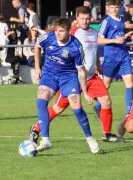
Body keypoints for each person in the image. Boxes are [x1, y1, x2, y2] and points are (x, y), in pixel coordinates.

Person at [29, 6, 120, 143]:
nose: (85, 21)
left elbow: (92, 51)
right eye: (82, 18)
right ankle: (36, 128)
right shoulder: (72, 33)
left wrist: (98, 66)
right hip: (72, 78)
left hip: (91, 76)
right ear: (76, 18)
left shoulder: (94, 33)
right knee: (58, 108)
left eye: (88, 18)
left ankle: (106, 134)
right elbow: (53, 36)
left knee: (106, 101)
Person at [33, 17, 99, 154]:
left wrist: (85, 92)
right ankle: (45, 139)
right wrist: (37, 67)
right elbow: (37, 46)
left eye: (61, 31)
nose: (58, 33)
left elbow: (81, 70)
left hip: (68, 77)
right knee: (40, 102)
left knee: (77, 109)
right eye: (56, 30)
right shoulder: (48, 37)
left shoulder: (76, 46)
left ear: (69, 31)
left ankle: (89, 137)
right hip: (49, 75)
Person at [96, 0, 133, 120]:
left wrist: (125, 43)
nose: (114, 9)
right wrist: (115, 41)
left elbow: (119, 36)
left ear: (120, 7)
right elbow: (99, 40)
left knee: (129, 82)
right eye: (112, 7)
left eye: (116, 7)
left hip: (123, 55)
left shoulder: (122, 19)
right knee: (106, 85)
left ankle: (129, 112)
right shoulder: (106, 22)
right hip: (111, 57)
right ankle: (98, 106)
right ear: (108, 8)